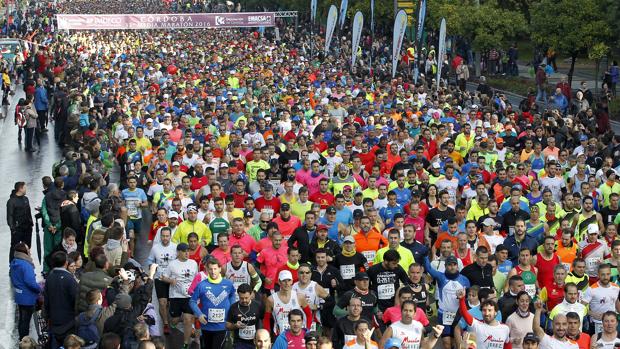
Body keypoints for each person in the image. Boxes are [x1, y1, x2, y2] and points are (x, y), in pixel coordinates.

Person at [190, 258, 236, 349]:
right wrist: (199, 314)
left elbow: (232, 296)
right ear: (207, 269)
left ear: (219, 269)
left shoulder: (228, 284)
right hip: (206, 326)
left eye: (215, 269)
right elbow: (192, 301)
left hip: (222, 326)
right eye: (210, 269)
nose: (213, 272)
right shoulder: (201, 285)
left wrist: (231, 311)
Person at [160, 242, 197, 348]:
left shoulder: (193, 263)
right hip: (176, 296)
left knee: (188, 319)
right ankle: (175, 321)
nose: (187, 253)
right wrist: (171, 281)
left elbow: (196, 279)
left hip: (189, 296)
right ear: (179, 252)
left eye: (188, 251)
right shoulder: (172, 264)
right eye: (184, 251)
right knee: (175, 320)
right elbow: (163, 277)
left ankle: (185, 343)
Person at [44, 251, 79, 347]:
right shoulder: (70, 279)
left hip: (54, 321)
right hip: (68, 322)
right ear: (66, 263)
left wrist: (47, 316)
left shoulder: (49, 277)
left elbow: (46, 300)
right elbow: (76, 299)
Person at [263, 270, 312, 335]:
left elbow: (309, 315)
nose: (287, 283)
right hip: (279, 335)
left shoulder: (299, 297)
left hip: (297, 335)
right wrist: (267, 335)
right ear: (279, 282)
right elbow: (266, 319)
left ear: (292, 281)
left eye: (289, 280)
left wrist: (307, 330)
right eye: (284, 280)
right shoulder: (271, 299)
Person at [10, 242, 41, 340]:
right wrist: (39, 288)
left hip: (19, 296)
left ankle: (21, 339)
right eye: (28, 249)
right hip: (27, 297)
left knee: (22, 320)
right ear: (24, 251)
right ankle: (25, 340)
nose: (29, 251)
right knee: (26, 321)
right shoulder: (26, 265)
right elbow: (30, 282)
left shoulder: (15, 262)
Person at [226, 283, 265, 349]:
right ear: (238, 295)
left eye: (246, 298)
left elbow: (262, 320)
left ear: (251, 294)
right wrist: (235, 326)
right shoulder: (233, 307)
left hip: (255, 341)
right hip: (239, 342)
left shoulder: (258, 305)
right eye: (241, 298)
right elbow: (227, 325)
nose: (244, 300)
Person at [6, 181, 33, 262]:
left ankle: (27, 262)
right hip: (17, 229)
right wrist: (12, 229)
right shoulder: (11, 201)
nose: (26, 189)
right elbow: (9, 216)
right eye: (25, 188)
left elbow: (29, 212)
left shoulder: (26, 199)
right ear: (20, 189)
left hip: (27, 227)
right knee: (14, 247)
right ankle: (12, 264)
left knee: (27, 246)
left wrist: (31, 223)